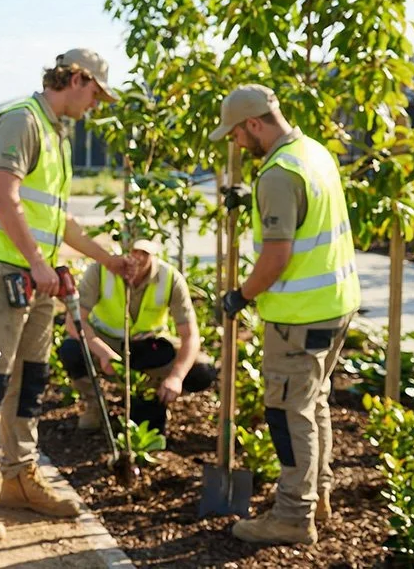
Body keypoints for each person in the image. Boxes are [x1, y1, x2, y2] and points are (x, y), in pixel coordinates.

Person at [0, 49, 132, 543]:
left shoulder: (57, 133)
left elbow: (57, 219)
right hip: (3, 274)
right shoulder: (21, 123)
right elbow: (6, 199)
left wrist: (106, 258)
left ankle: (19, 478)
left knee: (30, 382)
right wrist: (39, 263)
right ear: (74, 79)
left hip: (35, 278)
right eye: (95, 92)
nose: (96, 103)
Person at [211, 84, 360, 546]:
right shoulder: (311, 151)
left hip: (300, 317)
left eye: (235, 134)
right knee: (312, 405)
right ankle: (319, 495)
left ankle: (294, 516)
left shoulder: (277, 175)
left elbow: (276, 257)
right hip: (335, 306)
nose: (235, 143)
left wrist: (240, 295)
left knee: (286, 412)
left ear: (254, 124)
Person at [57, 239, 217, 435]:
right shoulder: (100, 271)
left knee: (202, 370)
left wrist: (176, 377)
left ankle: (151, 394)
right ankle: (95, 406)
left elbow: (190, 335)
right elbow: (74, 322)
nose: (137, 258)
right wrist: (103, 351)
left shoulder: (169, 278)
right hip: (107, 343)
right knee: (72, 350)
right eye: (133, 251)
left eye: (144, 253)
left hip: (149, 349)